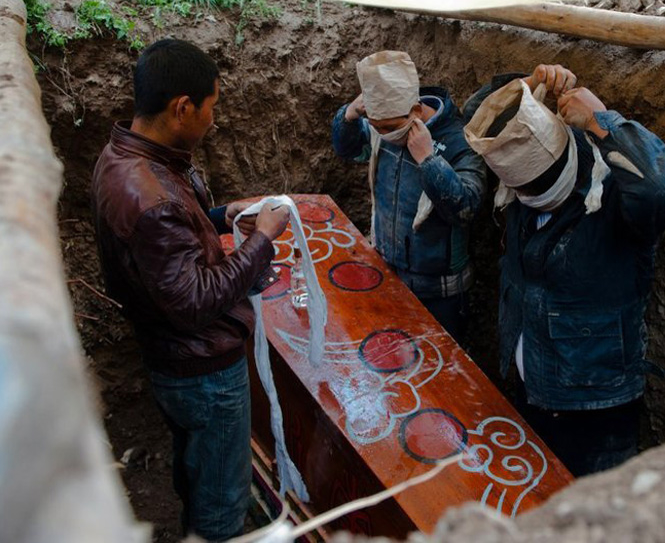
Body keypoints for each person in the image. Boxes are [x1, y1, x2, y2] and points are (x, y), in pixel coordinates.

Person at [91, 39, 289, 540]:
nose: (213, 119)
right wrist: (262, 238)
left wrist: (223, 216)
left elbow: (172, 242)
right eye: (211, 106)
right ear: (182, 107)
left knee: (195, 466)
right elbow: (194, 301)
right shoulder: (151, 196)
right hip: (203, 371)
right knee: (222, 504)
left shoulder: (123, 158)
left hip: (169, 360)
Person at [464, 64, 665, 477]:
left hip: (595, 411)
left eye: (542, 193)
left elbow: (660, 190)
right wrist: (527, 87)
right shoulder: (521, 180)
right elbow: (478, 126)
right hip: (530, 390)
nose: (533, 199)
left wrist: (604, 121)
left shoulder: (612, 200)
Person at [332, 51, 485, 345]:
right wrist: (349, 116)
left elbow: (466, 208)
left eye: (390, 128)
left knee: (439, 374)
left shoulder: (459, 141)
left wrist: (428, 159)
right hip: (387, 272)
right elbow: (348, 149)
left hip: (439, 293)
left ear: (416, 109)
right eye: (377, 127)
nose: (384, 135)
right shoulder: (383, 127)